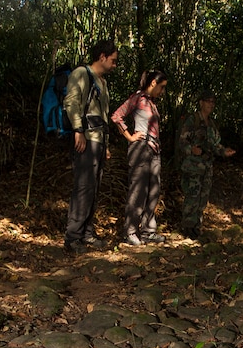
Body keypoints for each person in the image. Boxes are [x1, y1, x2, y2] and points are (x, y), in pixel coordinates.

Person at [63, 39, 119, 254]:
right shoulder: (81, 74)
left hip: (98, 140)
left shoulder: (102, 82)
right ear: (102, 56)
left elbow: (103, 116)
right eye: (113, 60)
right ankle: (73, 237)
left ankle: (87, 232)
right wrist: (78, 130)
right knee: (83, 187)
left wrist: (105, 145)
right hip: (85, 139)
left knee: (93, 188)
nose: (114, 65)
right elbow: (72, 102)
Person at [111, 70, 169, 246]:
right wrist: (129, 136)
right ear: (153, 83)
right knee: (138, 190)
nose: (162, 91)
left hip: (154, 150)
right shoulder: (138, 98)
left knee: (153, 190)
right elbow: (117, 116)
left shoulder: (151, 103)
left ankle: (148, 231)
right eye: (161, 87)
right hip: (140, 149)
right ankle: (130, 231)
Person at [177, 90, 235, 239]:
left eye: (213, 102)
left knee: (203, 198)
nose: (211, 104)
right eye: (208, 101)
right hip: (194, 166)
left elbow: (215, 145)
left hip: (207, 167)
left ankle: (197, 226)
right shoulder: (193, 120)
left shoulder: (212, 124)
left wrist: (224, 151)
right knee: (192, 196)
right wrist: (191, 150)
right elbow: (182, 141)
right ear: (201, 102)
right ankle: (188, 227)